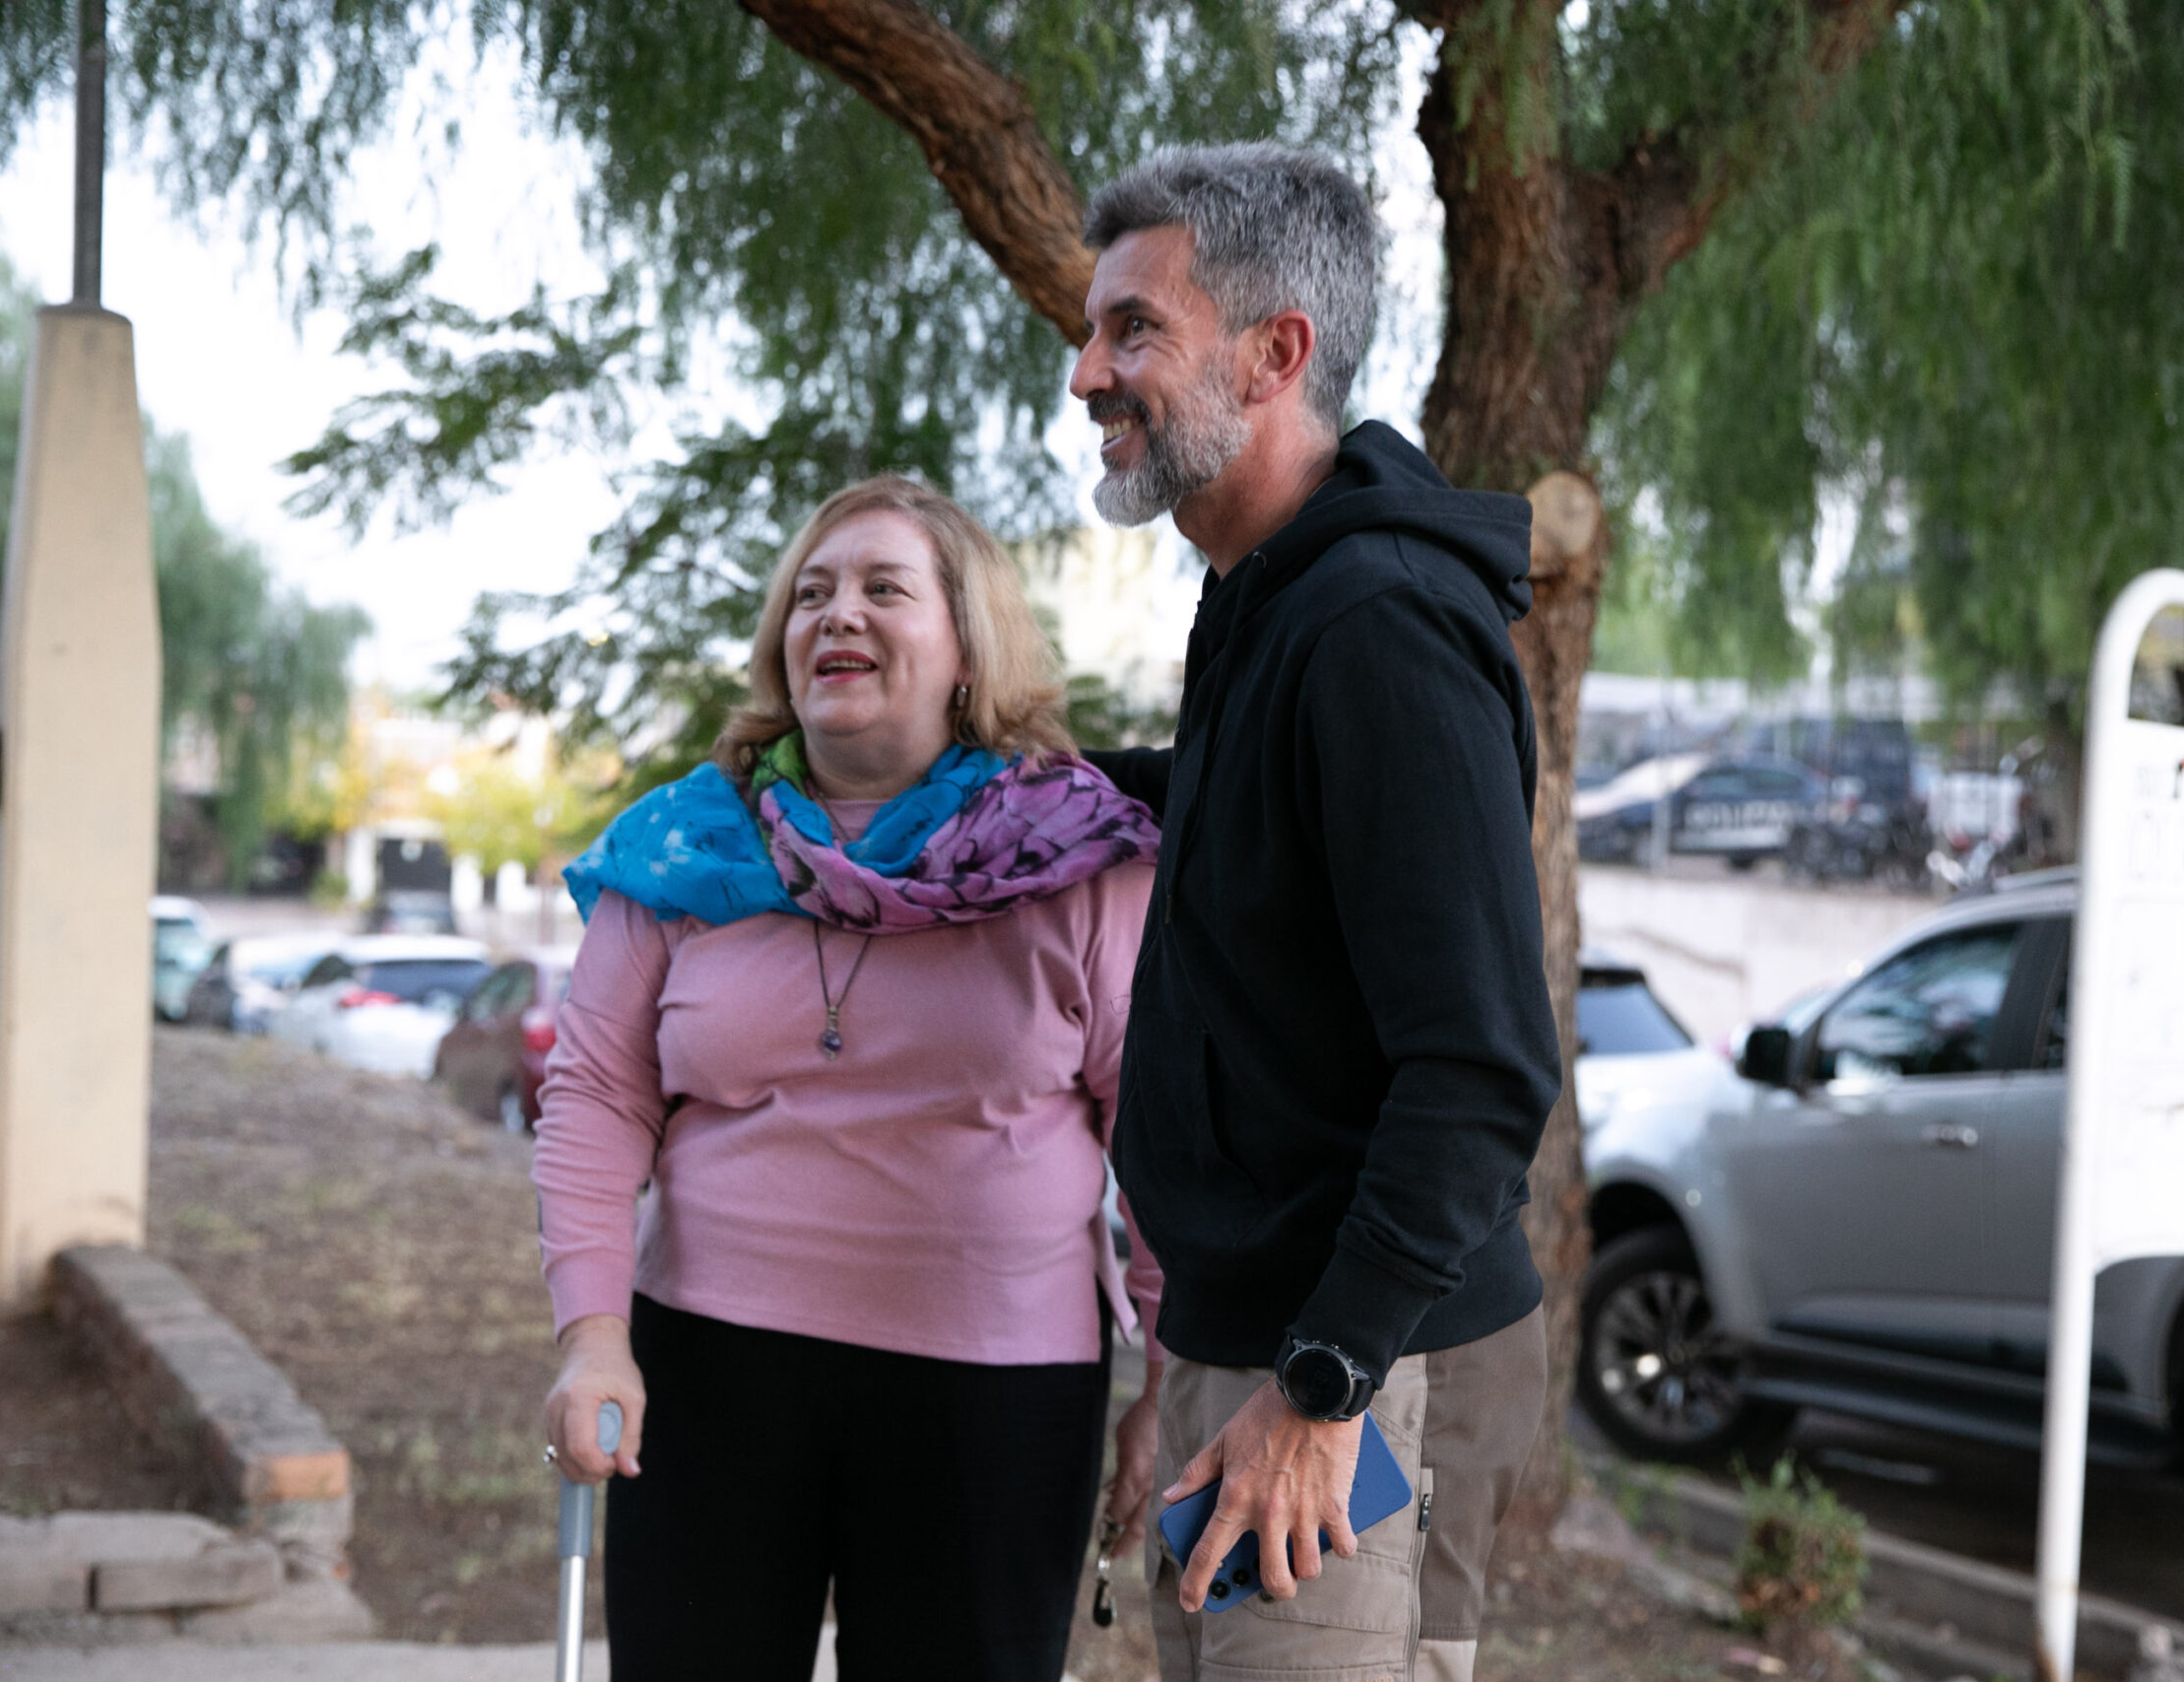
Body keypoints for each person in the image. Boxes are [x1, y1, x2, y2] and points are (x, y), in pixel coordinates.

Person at [531, 477, 1167, 1682]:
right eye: (811, 594)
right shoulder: (682, 848)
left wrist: (1168, 1383)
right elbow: (597, 1097)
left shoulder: (1082, 859)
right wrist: (592, 1337)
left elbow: (1162, 1130)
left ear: (968, 648)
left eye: (884, 588)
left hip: (997, 1393)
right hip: (708, 1370)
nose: (838, 615)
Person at [1070, 144, 1563, 1682]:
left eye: (1132, 329)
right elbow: (1257, 816)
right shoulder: (1270, 593)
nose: (1086, 374)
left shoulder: (1378, 622)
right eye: (1091, 332)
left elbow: (1480, 1067)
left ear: (1273, 352)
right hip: (1259, 1338)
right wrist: (1022, 775)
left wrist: (1326, 1378)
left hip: (1360, 1366)